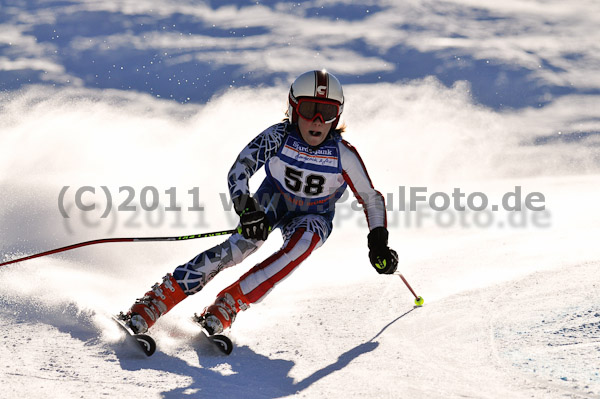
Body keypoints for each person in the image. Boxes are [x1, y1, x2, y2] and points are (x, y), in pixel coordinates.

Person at [122, 70, 398, 336]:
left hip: (315, 214)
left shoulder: (343, 155)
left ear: (337, 116)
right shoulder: (278, 138)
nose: (316, 120)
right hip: (272, 200)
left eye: (326, 112)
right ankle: (156, 300)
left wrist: (378, 242)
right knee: (240, 248)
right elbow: (239, 170)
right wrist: (247, 209)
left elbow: (371, 199)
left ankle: (229, 304)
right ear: (292, 109)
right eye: (308, 109)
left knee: (303, 243)